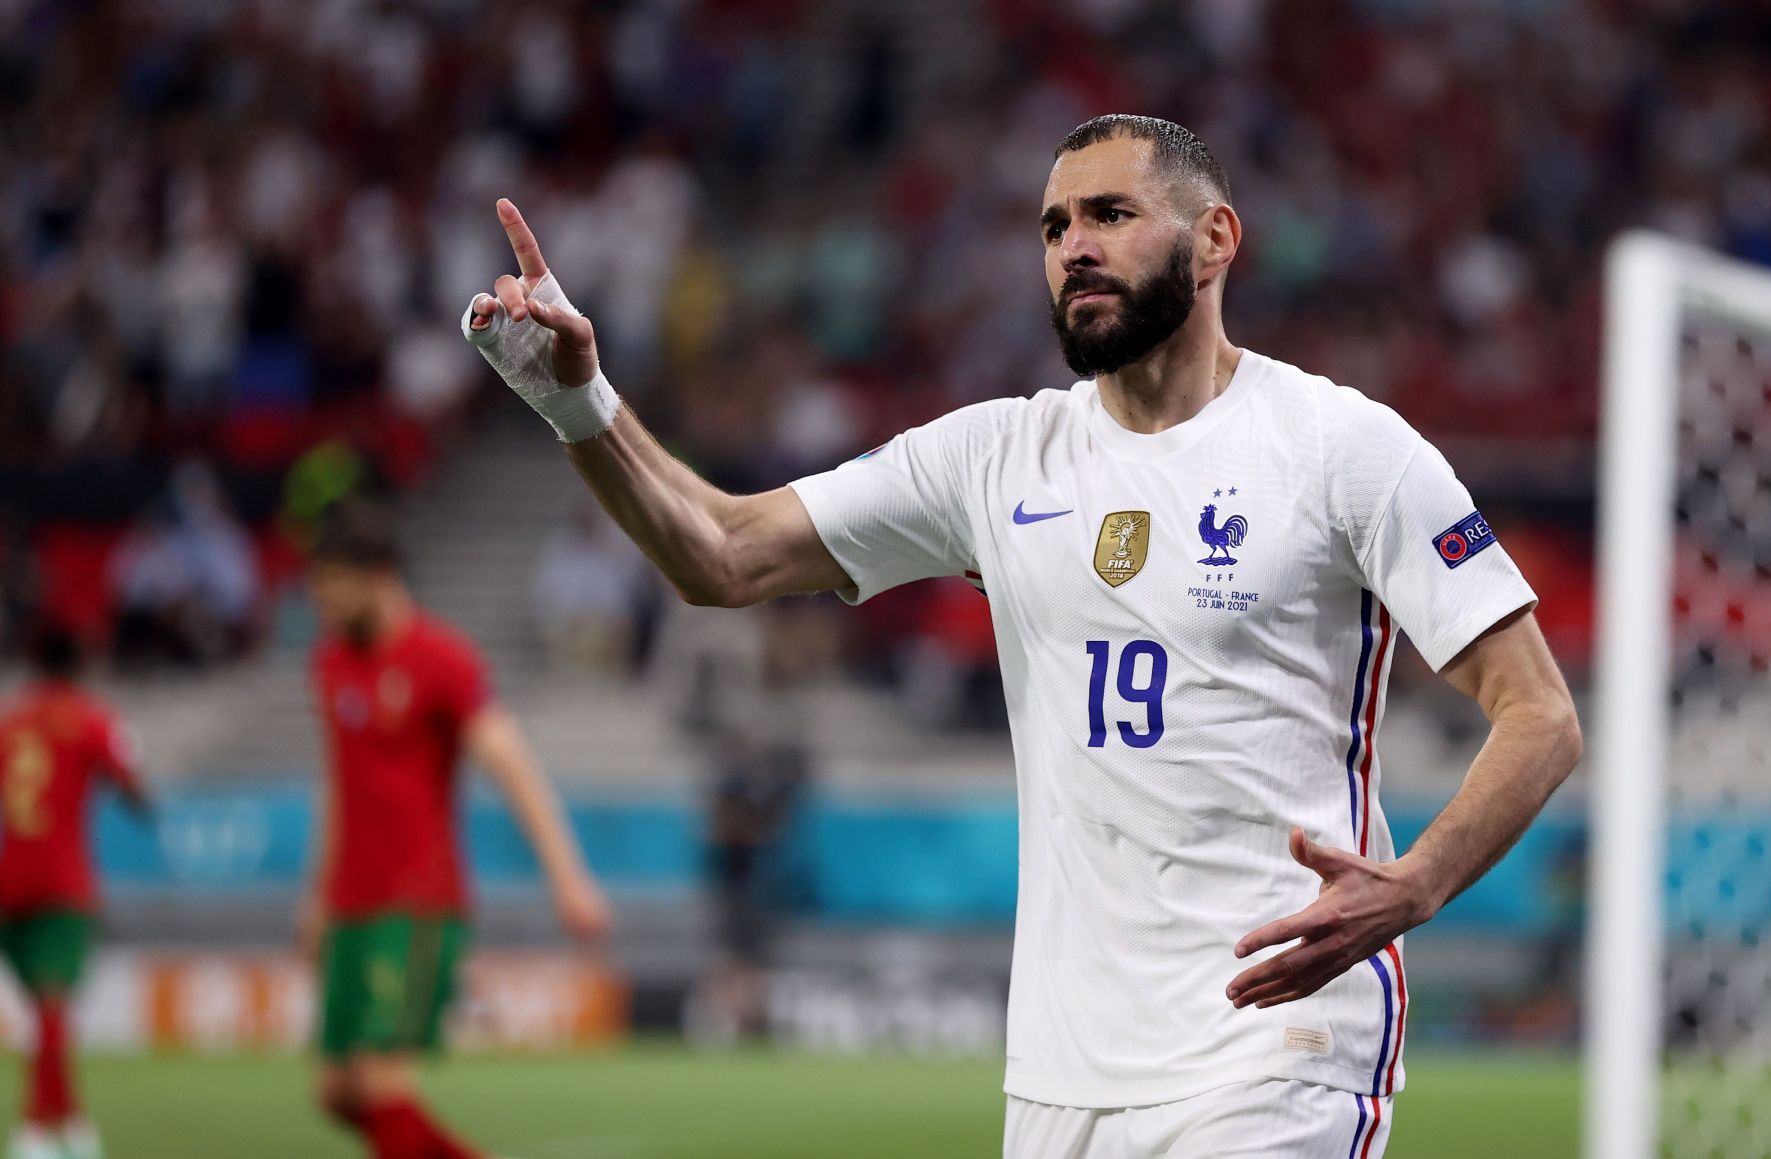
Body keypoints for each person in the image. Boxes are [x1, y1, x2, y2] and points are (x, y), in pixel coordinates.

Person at [462, 114, 1583, 1158]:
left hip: (1275, 1047)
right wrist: (581, 406)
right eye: (1053, 227)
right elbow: (723, 552)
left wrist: (1417, 881)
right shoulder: (995, 459)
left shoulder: (1342, 447)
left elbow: (1538, 713)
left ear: (1216, 240)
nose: (1072, 248)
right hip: (1063, 1075)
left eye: (1109, 215)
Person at [298, 499, 611, 1159]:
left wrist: (569, 878)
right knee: (336, 1091)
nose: (319, 597)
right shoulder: (329, 664)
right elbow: (337, 784)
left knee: (381, 1083)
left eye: (331, 580)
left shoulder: (441, 660)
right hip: (352, 903)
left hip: (415, 901)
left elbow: (513, 766)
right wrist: (316, 894)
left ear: (379, 574)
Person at [0, 626, 149, 1159]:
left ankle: (71, 1125)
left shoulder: (10, 721)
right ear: (80, 665)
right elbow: (135, 786)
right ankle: (35, 1129)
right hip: (63, 882)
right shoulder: (91, 717)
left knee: (45, 1014)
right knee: (53, 1007)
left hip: (8, 880)